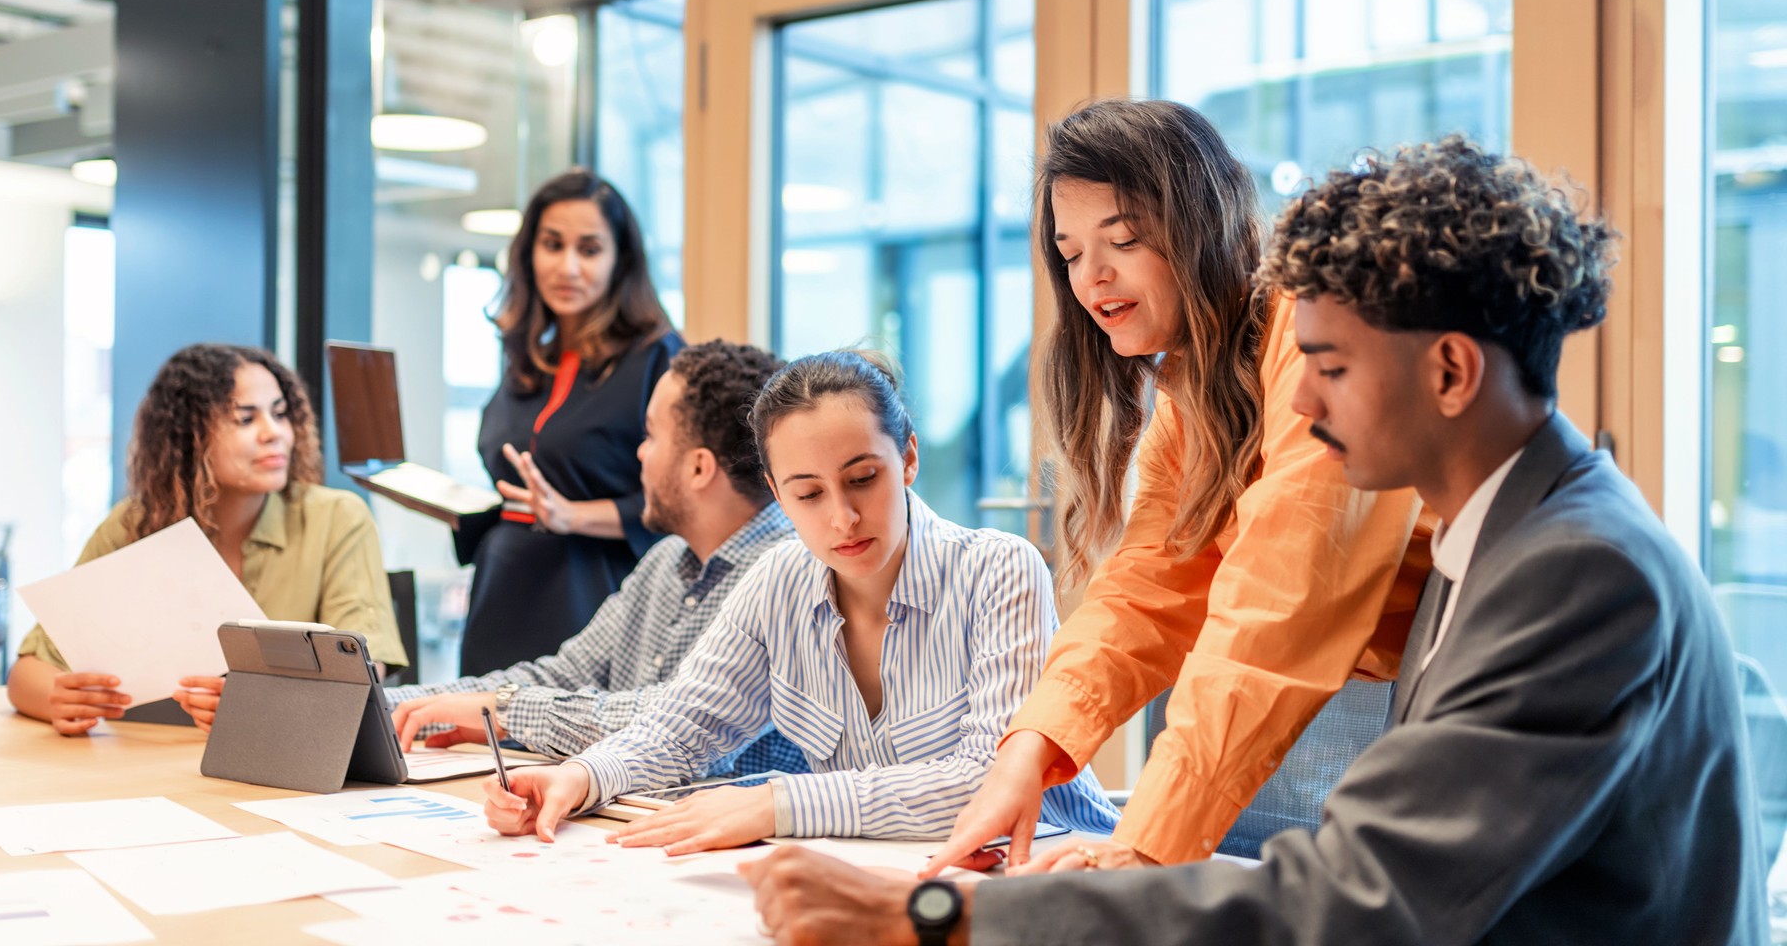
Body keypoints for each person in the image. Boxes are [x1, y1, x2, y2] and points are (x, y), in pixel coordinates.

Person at [743, 138, 1766, 946]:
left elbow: (1359, 897)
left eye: (1327, 366)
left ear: (1451, 372)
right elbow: (1156, 579)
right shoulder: (1501, 537)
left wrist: (943, 917)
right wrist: (1042, 750)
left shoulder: (1574, 573)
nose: (1304, 405)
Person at [926, 100, 1435, 875]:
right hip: (1359, 731)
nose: (1092, 278)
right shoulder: (1192, 387)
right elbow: (1148, 586)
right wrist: (1031, 748)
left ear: (1206, 225)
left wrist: (1143, 848)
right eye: (1068, 253)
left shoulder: (1310, 338)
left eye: (1123, 241)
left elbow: (1280, 597)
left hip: (1445, 715)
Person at [479, 351, 1119, 854]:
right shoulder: (779, 580)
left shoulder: (1000, 569)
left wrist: (777, 804)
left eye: (863, 478)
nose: (842, 518)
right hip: (882, 881)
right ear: (777, 496)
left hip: (1052, 882)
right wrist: (582, 778)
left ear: (909, 458)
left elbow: (988, 779)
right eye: (808, 494)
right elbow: (681, 727)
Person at [387, 340, 804, 774]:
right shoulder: (666, 561)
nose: (639, 454)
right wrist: (400, 704)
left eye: (650, 436)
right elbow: (563, 675)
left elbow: (676, 721)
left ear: (698, 468)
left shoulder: (788, 576)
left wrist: (505, 710)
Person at [7, 343, 406, 736]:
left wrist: (261, 704)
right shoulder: (133, 525)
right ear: (189, 436)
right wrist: (58, 698)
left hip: (278, 767)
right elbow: (27, 673)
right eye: (245, 419)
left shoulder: (337, 518)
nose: (275, 433)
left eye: (280, 414)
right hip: (142, 767)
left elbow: (364, 671)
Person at [454, 168, 682, 675]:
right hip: (502, 592)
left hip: (594, 599)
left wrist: (572, 515)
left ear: (621, 260)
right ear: (528, 253)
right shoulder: (529, 359)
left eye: (590, 249)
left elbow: (688, 498)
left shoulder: (657, 358)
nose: (568, 267)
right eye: (552, 245)